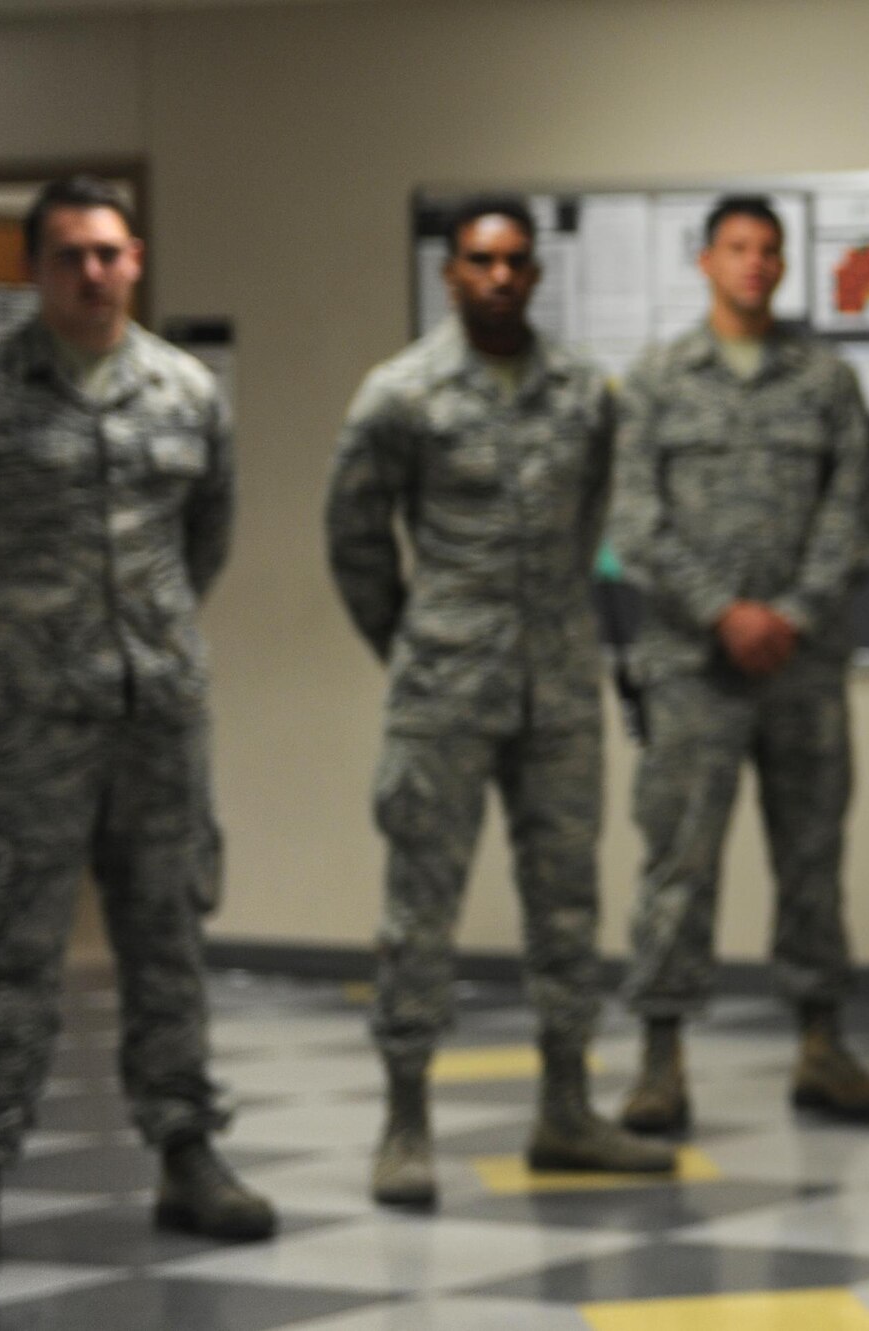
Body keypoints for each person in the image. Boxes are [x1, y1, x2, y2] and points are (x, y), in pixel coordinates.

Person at [326, 195, 675, 1208]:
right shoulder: (400, 393)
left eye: (516, 260)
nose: (499, 277)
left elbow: (589, 520)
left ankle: (565, 1109)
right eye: (480, 260)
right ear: (450, 273)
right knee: (418, 908)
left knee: (567, 907)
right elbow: (352, 536)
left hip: (557, 687)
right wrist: (413, 639)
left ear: (535, 272)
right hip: (442, 689)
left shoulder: (582, 393)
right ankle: (404, 1116)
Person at [0, 176, 276, 1273]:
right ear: (36, 269)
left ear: (136, 258)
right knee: (5, 949)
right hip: (22, 726)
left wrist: (145, 638)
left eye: (108, 253)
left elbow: (207, 542)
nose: (91, 274)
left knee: (169, 937)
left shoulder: (186, 391)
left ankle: (188, 1152)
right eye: (67, 257)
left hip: (157, 718)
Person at [611, 196, 869, 1131]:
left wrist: (792, 614)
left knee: (813, 856)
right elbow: (635, 524)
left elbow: (853, 513)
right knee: (678, 862)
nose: (756, 264)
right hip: (693, 665)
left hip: (802, 666)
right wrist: (721, 613)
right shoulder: (658, 379)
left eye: (770, 250)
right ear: (706, 261)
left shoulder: (823, 380)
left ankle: (822, 1042)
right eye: (738, 248)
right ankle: (660, 1057)